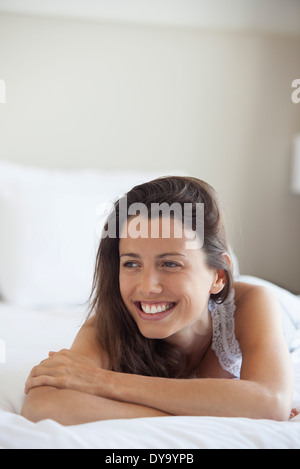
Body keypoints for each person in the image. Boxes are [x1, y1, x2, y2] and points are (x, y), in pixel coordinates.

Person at [21, 176, 294, 425]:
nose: (148, 287)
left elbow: (272, 402)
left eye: (171, 264)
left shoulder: (250, 303)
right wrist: (206, 409)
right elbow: (43, 404)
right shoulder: (108, 324)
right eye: (131, 264)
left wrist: (104, 381)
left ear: (219, 276)